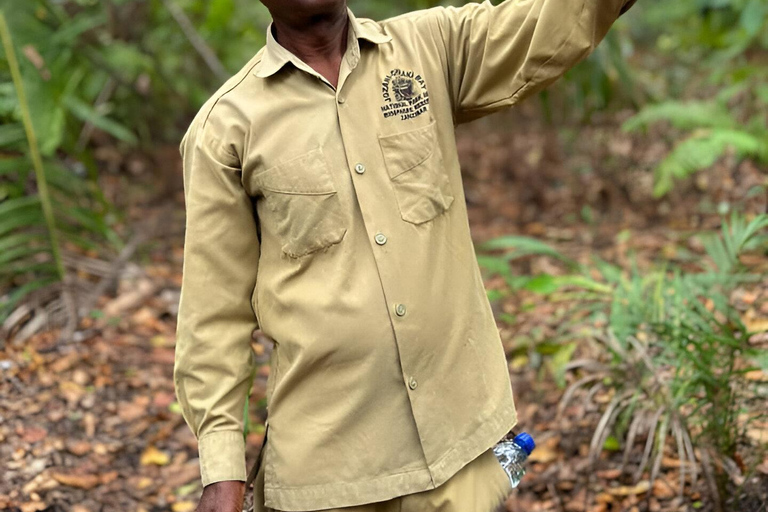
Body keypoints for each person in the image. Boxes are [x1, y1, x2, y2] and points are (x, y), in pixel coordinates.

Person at [173, 0, 637, 511]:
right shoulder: (225, 127)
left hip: (465, 451)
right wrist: (222, 475)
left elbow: (551, 23)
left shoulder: (429, 46)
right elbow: (213, 318)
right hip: (331, 477)